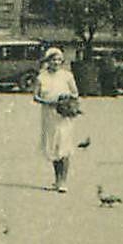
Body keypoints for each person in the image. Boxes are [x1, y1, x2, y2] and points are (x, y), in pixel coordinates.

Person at [33, 47, 81, 192]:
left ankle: (63, 181)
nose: (56, 62)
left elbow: (75, 93)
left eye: (59, 60)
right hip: (49, 115)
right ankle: (57, 179)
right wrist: (48, 102)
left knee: (64, 146)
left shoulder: (67, 76)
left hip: (63, 116)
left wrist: (66, 102)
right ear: (48, 61)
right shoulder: (42, 77)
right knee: (53, 146)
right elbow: (36, 96)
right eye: (53, 59)